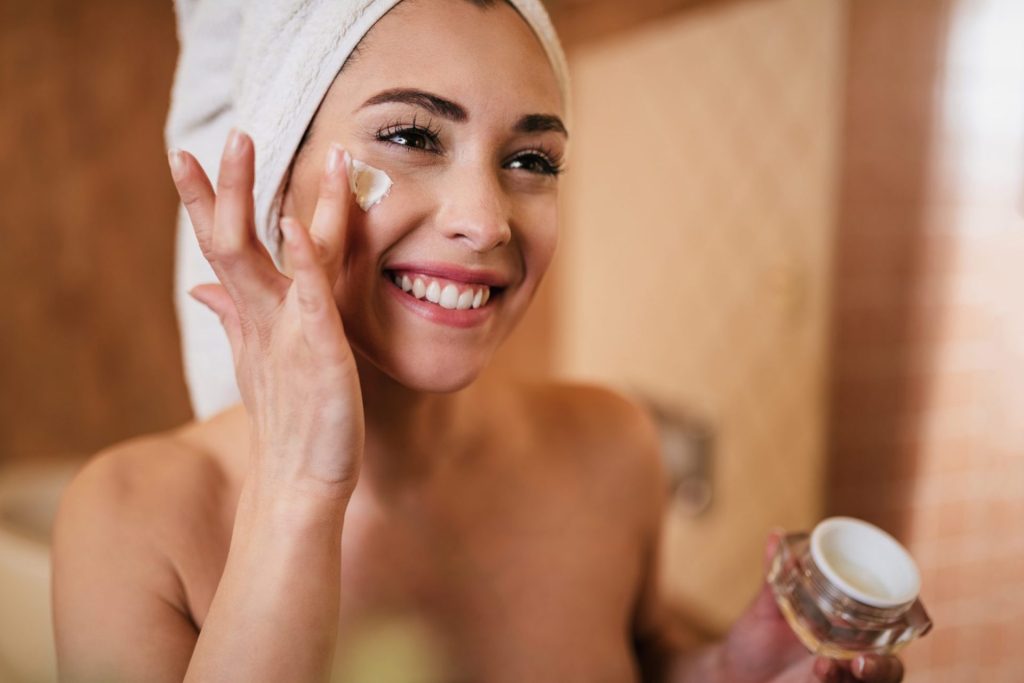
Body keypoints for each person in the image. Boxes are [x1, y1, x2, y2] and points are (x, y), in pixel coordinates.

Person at [51, 1, 905, 681]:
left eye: (531, 159)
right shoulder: (131, 523)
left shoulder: (612, 447)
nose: (486, 218)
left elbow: (632, 654)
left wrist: (720, 669)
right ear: (276, 181)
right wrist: (300, 488)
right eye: (413, 137)